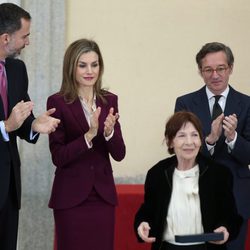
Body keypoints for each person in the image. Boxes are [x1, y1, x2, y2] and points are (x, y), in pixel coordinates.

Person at [47, 38, 126, 250]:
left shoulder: (109, 100)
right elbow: (58, 156)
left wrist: (109, 134)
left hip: (102, 196)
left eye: (95, 64)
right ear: (71, 67)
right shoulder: (57, 102)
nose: (89, 71)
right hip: (70, 197)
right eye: (82, 65)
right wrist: (89, 135)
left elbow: (119, 154)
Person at [174, 42, 250, 250]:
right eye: (208, 69)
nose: (215, 75)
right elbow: (180, 152)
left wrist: (233, 137)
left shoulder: (247, 104)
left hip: (236, 198)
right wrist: (211, 139)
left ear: (231, 68)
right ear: (200, 71)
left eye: (221, 68)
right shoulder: (185, 103)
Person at [134, 111, 242, 250]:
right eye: (182, 136)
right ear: (170, 141)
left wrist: (226, 229)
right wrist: (142, 223)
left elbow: (231, 216)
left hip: (205, 247)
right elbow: (147, 211)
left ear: (200, 140)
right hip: (168, 247)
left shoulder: (219, 174)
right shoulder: (158, 173)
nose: (189, 142)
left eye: (194, 135)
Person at [0, 3, 60, 250]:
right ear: (5, 38)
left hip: (9, 188)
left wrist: (35, 124)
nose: (28, 43)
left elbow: (21, 117)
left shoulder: (17, 68)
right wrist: (4, 126)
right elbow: (9, 122)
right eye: (24, 36)